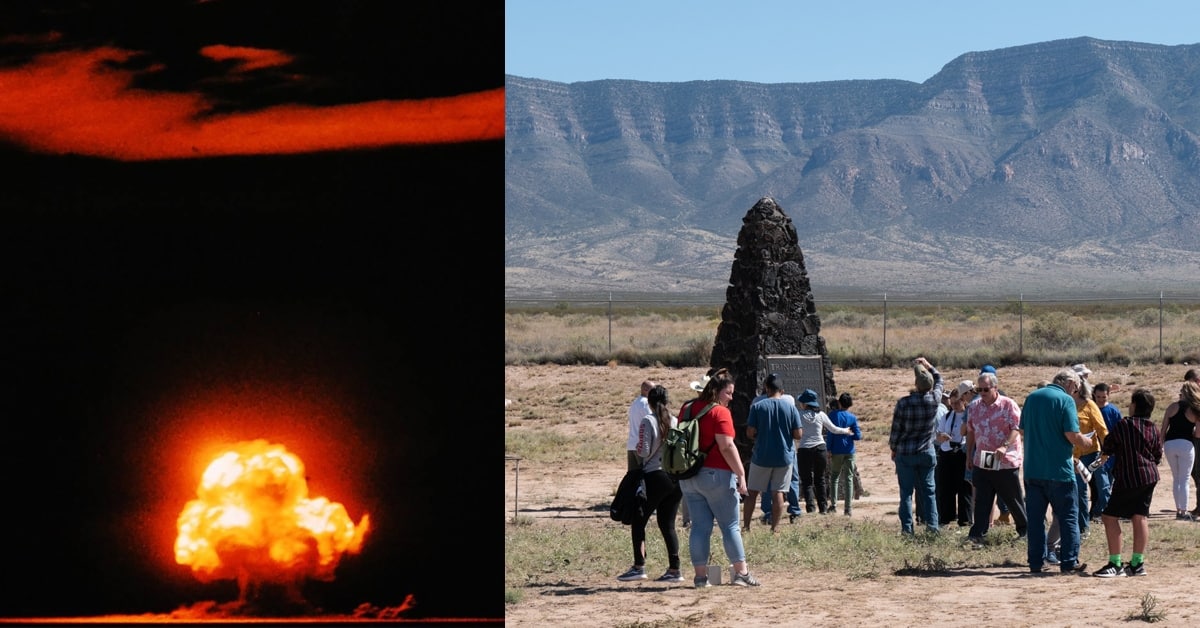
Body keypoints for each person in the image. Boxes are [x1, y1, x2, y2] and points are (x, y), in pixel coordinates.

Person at [677, 369, 760, 588]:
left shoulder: (686, 408)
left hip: (688, 476)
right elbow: (726, 445)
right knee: (730, 525)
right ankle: (741, 573)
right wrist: (741, 473)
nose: (731, 398)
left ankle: (700, 577)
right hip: (717, 476)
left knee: (699, 527)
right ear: (716, 392)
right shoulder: (719, 412)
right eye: (728, 393)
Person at [1021, 368, 1093, 575]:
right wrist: (1087, 442)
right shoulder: (1065, 400)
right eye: (1077, 388)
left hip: (1033, 469)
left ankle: (1036, 562)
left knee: (1035, 520)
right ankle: (1069, 561)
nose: (1076, 392)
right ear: (1070, 383)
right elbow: (1072, 433)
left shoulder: (1032, 397)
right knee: (1069, 516)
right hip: (1059, 470)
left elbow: (1023, 429)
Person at [617, 385, 685, 582]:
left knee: (639, 520)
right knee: (667, 524)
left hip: (655, 475)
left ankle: (639, 566)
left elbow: (644, 451)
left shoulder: (649, 421)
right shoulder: (675, 421)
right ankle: (674, 569)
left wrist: (638, 450)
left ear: (650, 403)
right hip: (675, 477)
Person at [1092, 388, 1163, 577]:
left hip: (1128, 476)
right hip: (1149, 476)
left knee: (1109, 517)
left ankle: (1115, 564)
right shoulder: (1153, 427)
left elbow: (1109, 444)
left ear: (1134, 406)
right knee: (1139, 517)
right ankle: (1137, 563)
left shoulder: (1125, 424)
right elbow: (1157, 455)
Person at [964, 368, 1028, 547]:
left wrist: (1005, 446)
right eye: (979, 390)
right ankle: (978, 534)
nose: (982, 393)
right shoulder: (974, 407)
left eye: (986, 389)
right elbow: (971, 432)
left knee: (1012, 498)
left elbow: (1017, 428)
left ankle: (1025, 531)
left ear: (995, 388)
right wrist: (969, 455)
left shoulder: (1008, 404)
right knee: (982, 498)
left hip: (1005, 461)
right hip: (982, 459)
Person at [888, 356, 943, 536]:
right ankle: (932, 528)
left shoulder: (903, 403)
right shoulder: (935, 400)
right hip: (927, 450)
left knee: (906, 493)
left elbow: (896, 430)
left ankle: (907, 530)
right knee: (929, 492)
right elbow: (940, 380)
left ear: (916, 384)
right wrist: (928, 366)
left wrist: (894, 448)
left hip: (906, 452)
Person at [742, 374, 803, 533]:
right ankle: (775, 529)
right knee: (779, 493)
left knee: (753, 492)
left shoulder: (758, 406)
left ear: (767, 389)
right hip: (784, 457)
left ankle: (746, 527)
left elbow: (750, 432)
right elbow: (798, 434)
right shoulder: (791, 407)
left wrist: (759, 435)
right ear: (782, 390)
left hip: (761, 456)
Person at [796, 388, 854, 515]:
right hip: (820, 448)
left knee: (806, 481)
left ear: (805, 403)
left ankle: (810, 508)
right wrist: (846, 431)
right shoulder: (821, 415)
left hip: (804, 449)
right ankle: (823, 508)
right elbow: (833, 429)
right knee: (820, 479)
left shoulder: (798, 415)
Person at [1071, 378, 1108, 539]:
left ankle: (1083, 528)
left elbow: (1102, 429)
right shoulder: (1063, 404)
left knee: (1080, 491)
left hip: (1087, 454)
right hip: (1067, 455)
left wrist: (1106, 452)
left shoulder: (1089, 405)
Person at [935, 381, 974, 528]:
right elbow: (938, 434)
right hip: (946, 452)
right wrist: (942, 436)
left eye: (957, 402)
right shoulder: (946, 416)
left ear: (963, 400)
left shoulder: (968, 415)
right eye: (952, 403)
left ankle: (965, 520)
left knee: (964, 488)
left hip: (962, 452)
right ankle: (946, 518)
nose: (954, 406)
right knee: (945, 487)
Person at [1160, 379, 1200, 521]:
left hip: (1170, 444)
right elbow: (1198, 434)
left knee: (1176, 478)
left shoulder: (1172, 407)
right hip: (1186, 444)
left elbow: (1163, 429)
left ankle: (1178, 509)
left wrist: (1160, 445)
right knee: (1185, 479)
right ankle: (1183, 511)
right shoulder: (1195, 409)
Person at [826, 392, 863, 516]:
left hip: (836, 450)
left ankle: (834, 504)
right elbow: (858, 436)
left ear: (839, 403)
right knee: (849, 478)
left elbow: (830, 434)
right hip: (849, 450)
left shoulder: (832, 415)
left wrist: (829, 448)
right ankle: (848, 508)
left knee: (834, 477)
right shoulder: (852, 418)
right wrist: (850, 433)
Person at [1090, 382, 1122, 521]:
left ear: (1108, 395)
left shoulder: (1113, 411)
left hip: (1113, 454)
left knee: (1108, 485)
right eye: (1098, 397)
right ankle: (1106, 512)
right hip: (1097, 453)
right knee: (1102, 486)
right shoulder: (1090, 410)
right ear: (1094, 396)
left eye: (1104, 396)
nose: (1101, 399)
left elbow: (1120, 431)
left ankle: (1098, 511)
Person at [627, 380, 655, 472]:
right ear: (646, 390)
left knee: (632, 475)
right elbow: (652, 421)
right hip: (641, 445)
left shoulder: (635, 402)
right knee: (645, 473)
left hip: (631, 444)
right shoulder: (646, 404)